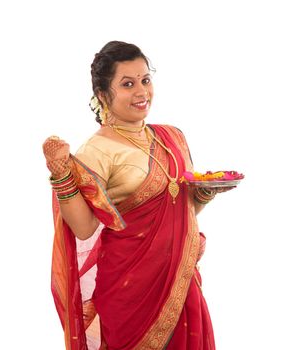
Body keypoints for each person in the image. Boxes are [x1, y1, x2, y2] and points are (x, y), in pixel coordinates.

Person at [43, 41, 233, 350]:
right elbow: (84, 228)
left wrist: (205, 193)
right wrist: (61, 173)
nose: (142, 91)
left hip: (179, 281)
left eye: (145, 80)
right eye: (128, 84)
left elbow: (178, 209)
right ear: (104, 95)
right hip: (130, 288)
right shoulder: (97, 150)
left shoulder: (173, 136)